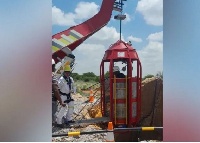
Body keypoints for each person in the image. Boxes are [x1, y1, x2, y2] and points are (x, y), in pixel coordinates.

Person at [52, 59, 66, 125]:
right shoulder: (52, 76)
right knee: (52, 115)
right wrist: (60, 101)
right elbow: (55, 90)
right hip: (51, 100)